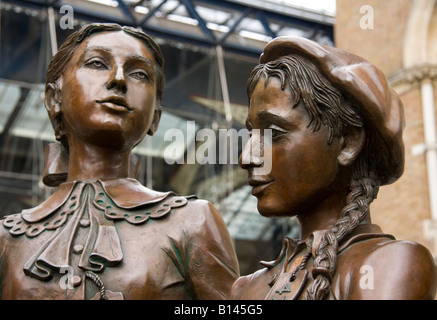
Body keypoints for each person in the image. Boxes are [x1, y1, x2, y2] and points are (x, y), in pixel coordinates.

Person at [0, 23, 239, 300]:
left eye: (139, 73)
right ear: (55, 98)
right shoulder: (8, 238)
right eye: (97, 63)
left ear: (156, 117)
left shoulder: (193, 222)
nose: (118, 79)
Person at [231, 36, 437, 300]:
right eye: (251, 133)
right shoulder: (244, 289)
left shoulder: (389, 265)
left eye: (273, 132)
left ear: (348, 142)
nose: (247, 156)